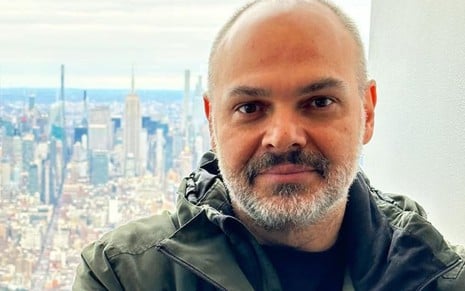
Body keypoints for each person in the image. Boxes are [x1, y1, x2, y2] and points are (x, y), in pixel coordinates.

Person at [73, 0, 465, 290]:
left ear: (367, 111)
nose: (282, 136)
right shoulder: (123, 276)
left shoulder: (440, 276)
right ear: (213, 121)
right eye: (250, 107)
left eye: (319, 102)